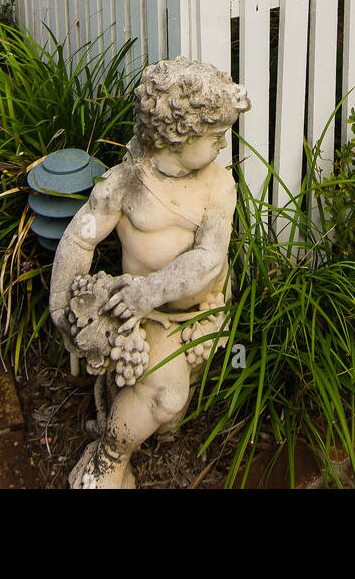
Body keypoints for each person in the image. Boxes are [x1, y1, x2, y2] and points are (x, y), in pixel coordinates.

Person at [49, 56, 250, 489]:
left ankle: (133, 406)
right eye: (215, 137)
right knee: (167, 395)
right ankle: (108, 457)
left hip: (201, 309)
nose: (221, 147)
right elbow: (80, 238)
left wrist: (151, 288)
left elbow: (208, 258)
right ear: (178, 136)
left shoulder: (218, 185)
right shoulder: (126, 184)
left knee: (170, 407)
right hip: (148, 317)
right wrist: (60, 303)